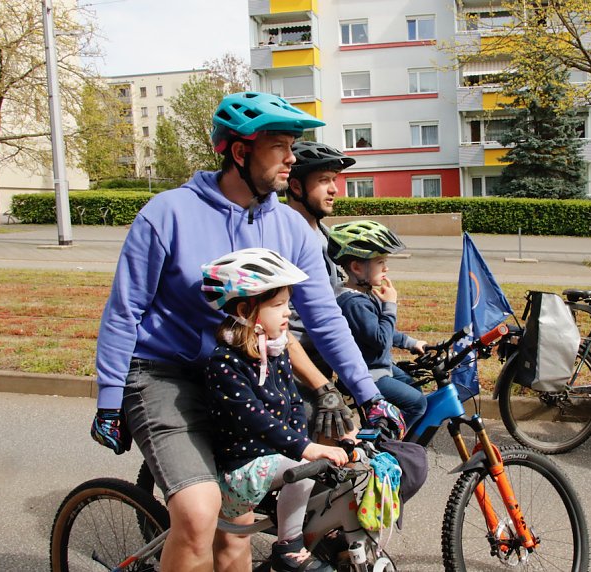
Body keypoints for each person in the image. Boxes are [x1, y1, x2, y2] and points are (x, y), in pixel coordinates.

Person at [89, 91, 404, 571]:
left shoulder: (292, 229)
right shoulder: (168, 214)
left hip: (243, 375)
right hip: (166, 375)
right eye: (280, 146)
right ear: (240, 152)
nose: (292, 159)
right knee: (198, 515)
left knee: (236, 528)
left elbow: (324, 317)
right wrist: (110, 399)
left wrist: (369, 395)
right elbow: (123, 310)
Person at [201, 248, 346, 572]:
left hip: (271, 457)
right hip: (242, 466)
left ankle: (290, 542)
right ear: (245, 310)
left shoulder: (274, 347)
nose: (287, 312)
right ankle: (289, 544)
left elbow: (292, 400)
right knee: (309, 464)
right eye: (278, 305)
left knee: (311, 467)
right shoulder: (225, 362)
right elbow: (255, 418)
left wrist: (300, 439)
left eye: (288, 303)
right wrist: (304, 447)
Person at [328, 220, 429, 431]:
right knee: (417, 404)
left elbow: (382, 330)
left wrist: (411, 342)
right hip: (368, 374)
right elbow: (381, 340)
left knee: (415, 390)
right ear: (356, 267)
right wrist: (390, 305)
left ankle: (386, 427)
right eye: (380, 262)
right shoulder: (354, 303)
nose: (386, 268)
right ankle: (386, 446)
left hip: (380, 367)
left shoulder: (363, 294)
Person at [284, 142, 356, 435]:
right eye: (324, 180)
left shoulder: (325, 235)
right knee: (324, 453)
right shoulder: (284, 236)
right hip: (294, 368)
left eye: (334, 180)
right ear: (296, 186)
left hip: (322, 357)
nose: (334, 189)